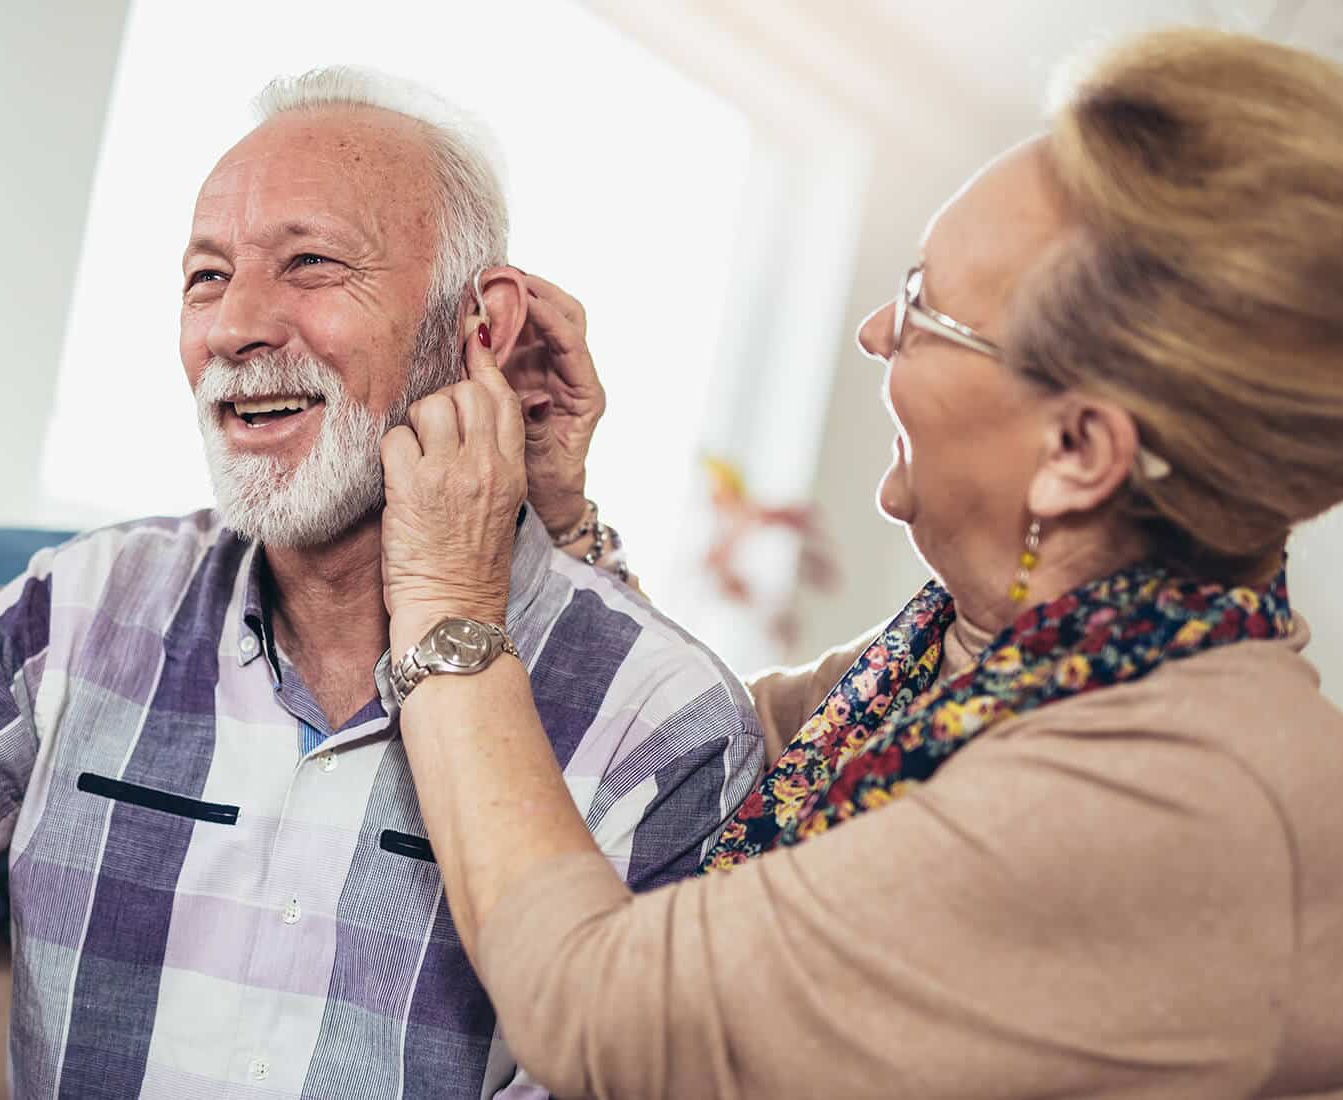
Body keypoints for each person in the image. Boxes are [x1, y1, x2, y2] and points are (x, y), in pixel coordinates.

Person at [0, 68, 763, 1099]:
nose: (236, 327)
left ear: (479, 328)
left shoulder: (666, 724)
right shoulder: (85, 607)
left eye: (311, 264)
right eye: (206, 275)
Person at [376, 28, 1343, 1099]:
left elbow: (608, 1010)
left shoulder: (1169, 797)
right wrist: (562, 528)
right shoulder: (996, 662)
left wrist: (445, 606)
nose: (879, 330)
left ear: (1076, 453)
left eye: (928, 309)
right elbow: (707, 762)